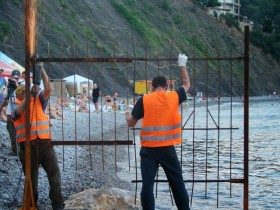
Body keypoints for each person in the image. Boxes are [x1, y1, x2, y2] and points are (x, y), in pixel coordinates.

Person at [125, 54, 191, 210]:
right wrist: (182, 64)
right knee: (177, 184)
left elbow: (131, 123)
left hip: (148, 149)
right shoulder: (174, 96)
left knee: (147, 186)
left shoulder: (145, 100)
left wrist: (127, 114)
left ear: (152, 87)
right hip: (167, 148)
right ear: (167, 87)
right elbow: (187, 83)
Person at [12, 65, 65, 209]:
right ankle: (31, 204)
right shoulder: (15, 105)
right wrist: (28, 95)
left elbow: (49, 89)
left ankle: (58, 204)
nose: (25, 92)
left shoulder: (38, 101)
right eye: (22, 91)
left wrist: (40, 70)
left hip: (45, 143)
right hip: (27, 147)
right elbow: (18, 111)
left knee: (54, 174)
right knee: (31, 179)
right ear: (18, 95)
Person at [6, 69, 21, 155]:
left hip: (18, 112)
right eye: (13, 78)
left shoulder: (22, 86)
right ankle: (14, 150)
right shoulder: (9, 86)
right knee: (11, 131)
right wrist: (9, 89)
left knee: (19, 131)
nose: (15, 80)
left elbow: (21, 97)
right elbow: (5, 97)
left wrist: (16, 87)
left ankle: (21, 149)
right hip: (9, 112)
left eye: (17, 78)